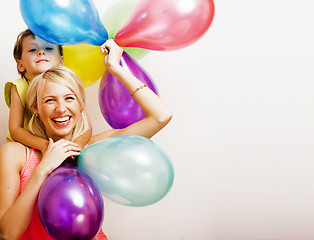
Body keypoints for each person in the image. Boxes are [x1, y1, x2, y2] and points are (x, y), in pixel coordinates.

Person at [0, 39, 172, 239]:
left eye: (69, 98)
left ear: (80, 105)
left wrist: (115, 68)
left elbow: (161, 116)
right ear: (35, 109)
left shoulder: (93, 149)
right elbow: (7, 233)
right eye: (49, 100)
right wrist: (42, 169)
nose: (61, 109)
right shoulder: (14, 154)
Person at [4, 29, 92, 153]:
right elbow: (15, 130)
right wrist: (45, 145)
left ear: (61, 62)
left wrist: (77, 146)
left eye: (49, 49)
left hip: (60, 143)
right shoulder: (19, 86)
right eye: (32, 50)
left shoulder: (67, 83)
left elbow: (86, 126)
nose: (41, 52)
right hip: (28, 147)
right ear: (20, 65)